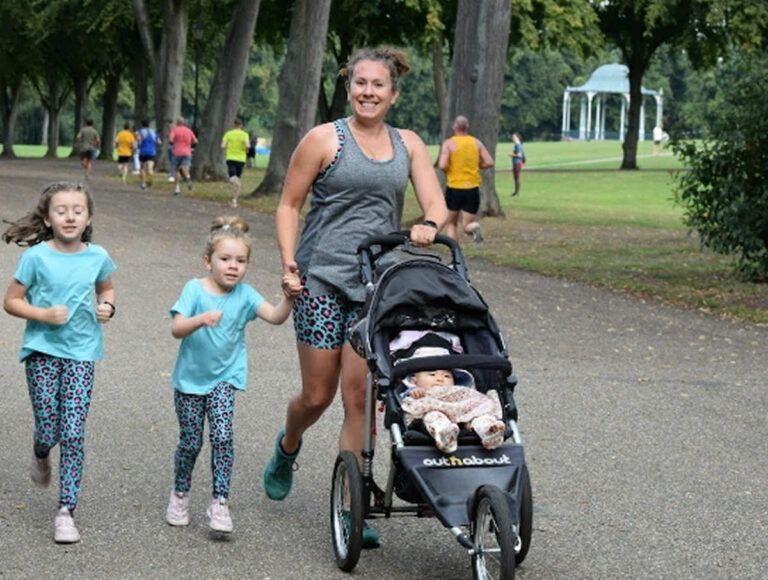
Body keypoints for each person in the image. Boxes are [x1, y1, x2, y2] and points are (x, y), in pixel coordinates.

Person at [263, 46, 447, 549]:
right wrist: (288, 262)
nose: (368, 92)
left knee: (360, 398)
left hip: (378, 286)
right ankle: (288, 445)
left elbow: (435, 201)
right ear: (349, 89)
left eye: (378, 85)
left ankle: (353, 503)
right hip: (322, 280)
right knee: (316, 395)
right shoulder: (324, 139)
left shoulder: (408, 144)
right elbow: (289, 205)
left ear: (393, 93)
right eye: (360, 83)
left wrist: (430, 223)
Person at [165, 216, 297, 534]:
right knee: (191, 442)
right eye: (225, 259)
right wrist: (200, 319)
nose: (233, 266)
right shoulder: (194, 290)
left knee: (223, 437)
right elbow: (176, 328)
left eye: (240, 261)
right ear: (207, 261)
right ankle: (180, 494)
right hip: (190, 381)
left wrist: (289, 299)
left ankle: (220, 502)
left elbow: (275, 316)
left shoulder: (246, 295)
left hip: (224, 378)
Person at [2, 182, 117, 544]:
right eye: (61, 210)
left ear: (89, 218)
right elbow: (11, 301)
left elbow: (106, 288)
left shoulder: (97, 256)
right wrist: (43, 314)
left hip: (82, 352)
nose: (70, 216)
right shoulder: (36, 257)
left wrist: (108, 306)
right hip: (42, 351)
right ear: (47, 219)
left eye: (77, 210)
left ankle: (66, 510)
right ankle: (40, 452)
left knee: (73, 431)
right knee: (48, 429)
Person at [398, 351, 506, 454]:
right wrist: (414, 392)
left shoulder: (459, 391)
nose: (440, 379)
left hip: (465, 410)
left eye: (447, 376)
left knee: (481, 414)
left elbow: (471, 398)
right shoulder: (417, 391)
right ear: (414, 381)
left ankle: (489, 431)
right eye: (432, 374)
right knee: (433, 416)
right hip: (437, 412)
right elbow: (409, 402)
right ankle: (445, 435)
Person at [437, 115, 494, 244]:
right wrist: (478, 165)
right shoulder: (476, 143)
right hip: (472, 189)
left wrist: (449, 169)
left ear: (454, 127)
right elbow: (489, 162)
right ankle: (473, 228)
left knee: (451, 223)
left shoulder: (449, 143)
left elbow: (442, 165)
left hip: (454, 187)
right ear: (467, 128)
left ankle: (454, 252)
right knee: (467, 224)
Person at [220, 119, 250, 207]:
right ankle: (234, 200)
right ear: (241, 126)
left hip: (231, 158)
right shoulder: (244, 134)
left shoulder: (228, 134)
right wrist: (245, 150)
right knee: (237, 179)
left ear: (233, 125)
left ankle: (234, 200)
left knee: (233, 178)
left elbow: (222, 145)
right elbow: (247, 145)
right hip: (241, 159)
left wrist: (228, 147)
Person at [168, 116, 198, 195]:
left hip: (177, 152)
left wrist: (174, 142)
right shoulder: (189, 130)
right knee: (185, 168)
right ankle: (188, 178)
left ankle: (177, 189)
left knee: (177, 170)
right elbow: (195, 141)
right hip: (187, 152)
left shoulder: (174, 130)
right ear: (183, 123)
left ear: (177, 123)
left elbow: (170, 140)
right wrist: (189, 144)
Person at [136, 119, 162, 190]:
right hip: (151, 152)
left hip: (143, 152)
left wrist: (139, 144)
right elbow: (159, 142)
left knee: (142, 168)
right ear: (149, 125)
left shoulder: (139, 132)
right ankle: (150, 180)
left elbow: (138, 139)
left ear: (142, 125)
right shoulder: (153, 132)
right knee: (150, 168)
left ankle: (143, 183)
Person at [509, 132, 525, 197]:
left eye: (514, 137)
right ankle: (516, 192)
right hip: (517, 163)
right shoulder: (518, 144)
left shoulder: (518, 145)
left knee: (517, 178)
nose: (512, 138)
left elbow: (519, 155)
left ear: (517, 138)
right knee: (516, 178)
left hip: (517, 163)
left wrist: (511, 155)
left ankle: (517, 193)